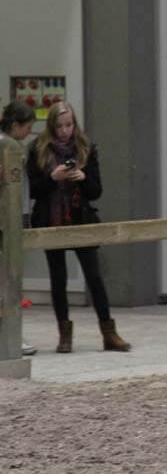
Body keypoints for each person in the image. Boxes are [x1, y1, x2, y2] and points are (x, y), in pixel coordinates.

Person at [27, 101, 131, 353]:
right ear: (51, 126)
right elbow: (33, 190)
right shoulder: (38, 149)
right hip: (51, 220)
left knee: (94, 277)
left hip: (80, 219)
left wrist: (83, 178)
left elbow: (96, 192)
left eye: (69, 125)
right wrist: (53, 178)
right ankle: (64, 335)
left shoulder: (86, 148)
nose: (65, 131)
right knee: (58, 278)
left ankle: (109, 332)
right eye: (59, 126)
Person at [1, 101, 38, 356]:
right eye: (27, 127)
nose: (29, 132)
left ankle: (13, 334)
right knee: (7, 281)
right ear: (15, 125)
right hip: (5, 219)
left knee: (12, 280)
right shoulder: (5, 146)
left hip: (16, 216)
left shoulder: (18, 148)